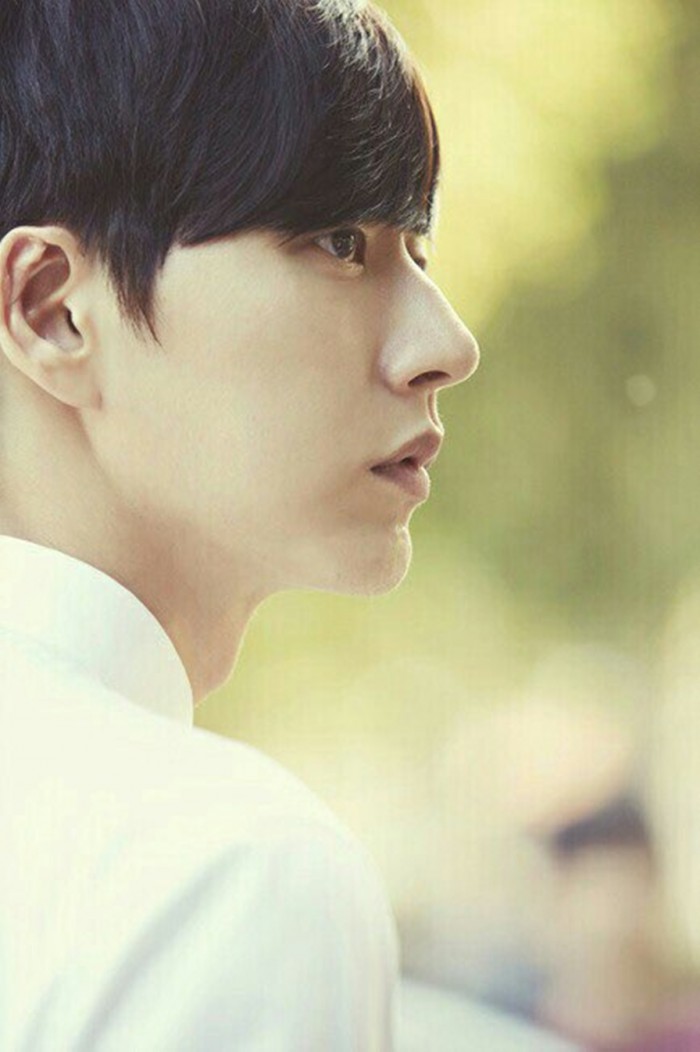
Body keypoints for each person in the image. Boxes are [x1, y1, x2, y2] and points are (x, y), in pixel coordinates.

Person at [0, 0, 480, 1049]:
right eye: (342, 242)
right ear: (53, 309)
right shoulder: (223, 875)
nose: (448, 346)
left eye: (420, 253)